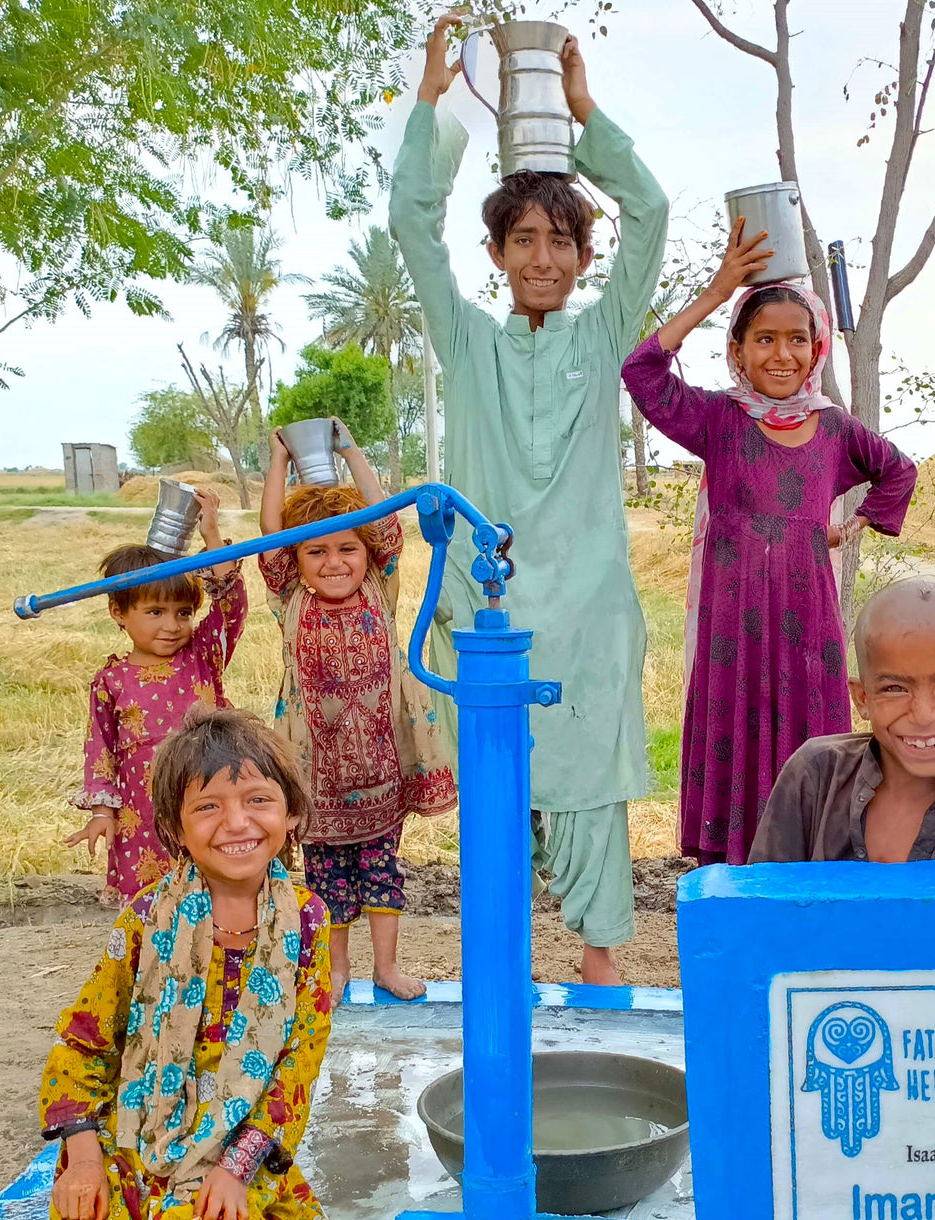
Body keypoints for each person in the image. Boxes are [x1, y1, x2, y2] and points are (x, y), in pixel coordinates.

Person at [389, 14, 668, 985]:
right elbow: (409, 231)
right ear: (499, 251)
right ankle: (500, 1022)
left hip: (589, 623)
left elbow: (656, 217)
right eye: (524, 238)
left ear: (585, 255)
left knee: (592, 815)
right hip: (489, 624)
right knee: (498, 820)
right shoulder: (469, 346)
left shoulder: (602, 341)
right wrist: (431, 100)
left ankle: (598, 1003)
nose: (544, 256)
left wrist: (584, 113)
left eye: (561, 239)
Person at [622, 222, 916, 865]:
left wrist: (849, 525)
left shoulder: (835, 428)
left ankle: (812, 881)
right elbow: (641, 372)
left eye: (795, 340)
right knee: (736, 740)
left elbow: (899, 471)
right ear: (738, 348)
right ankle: (732, 881)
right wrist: (719, 288)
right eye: (763, 340)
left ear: (815, 350)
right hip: (733, 630)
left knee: (811, 744)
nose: (780, 354)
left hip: (806, 628)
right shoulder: (718, 420)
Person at [38, 706, 332, 1220]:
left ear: (291, 813)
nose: (237, 823)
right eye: (208, 807)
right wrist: (85, 1160)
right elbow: (83, 1044)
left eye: (258, 799)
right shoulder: (148, 919)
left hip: (237, 1153)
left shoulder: (307, 922)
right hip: (132, 1141)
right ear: (173, 826)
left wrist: (236, 1169)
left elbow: (296, 1069)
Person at [259, 420, 456, 1004]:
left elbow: (384, 522)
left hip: (381, 762)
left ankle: (387, 968)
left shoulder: (378, 582)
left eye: (346, 546)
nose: (334, 560)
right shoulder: (291, 598)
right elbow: (269, 535)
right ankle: (337, 969)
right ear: (296, 562)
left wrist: (349, 448)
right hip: (315, 768)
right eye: (316, 550)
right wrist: (279, 461)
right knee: (327, 880)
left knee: (381, 870)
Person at [749, 576, 935, 864]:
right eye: (894, 688)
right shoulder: (814, 776)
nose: (923, 715)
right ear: (862, 698)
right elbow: (762, 903)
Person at [68, 490, 246, 903]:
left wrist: (213, 535)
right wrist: (101, 812)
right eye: (155, 612)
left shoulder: (203, 654)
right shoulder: (110, 680)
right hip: (141, 817)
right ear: (118, 612)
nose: (172, 625)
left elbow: (231, 606)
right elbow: (100, 751)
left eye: (183, 612)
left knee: (214, 894)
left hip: (208, 796)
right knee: (151, 908)